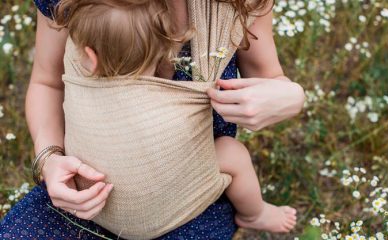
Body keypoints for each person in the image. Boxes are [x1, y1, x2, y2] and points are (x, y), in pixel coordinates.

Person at [0, 0, 305, 239]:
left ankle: (250, 214)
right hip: (81, 200)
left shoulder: (235, 3)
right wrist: (49, 160)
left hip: (190, 196)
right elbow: (46, 82)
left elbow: (271, 79)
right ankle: (254, 213)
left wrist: (291, 96)